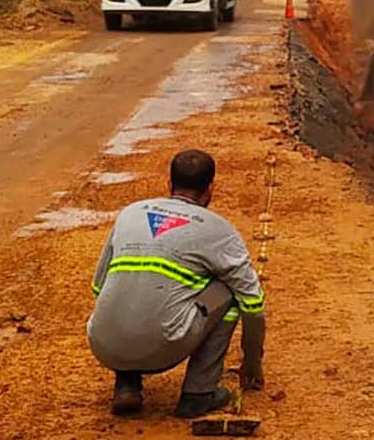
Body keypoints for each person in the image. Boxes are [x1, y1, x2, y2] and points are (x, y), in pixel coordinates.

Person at [87, 149, 266, 418]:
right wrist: (252, 363)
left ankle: (127, 383)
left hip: (103, 343)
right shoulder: (220, 231)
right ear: (210, 189)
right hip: (163, 347)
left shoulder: (130, 213)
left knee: (132, 286)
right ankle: (199, 393)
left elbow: (99, 288)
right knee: (230, 290)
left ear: (169, 184)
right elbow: (253, 304)